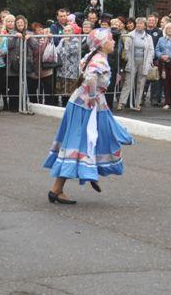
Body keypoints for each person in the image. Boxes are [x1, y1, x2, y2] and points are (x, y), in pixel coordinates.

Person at [43, 28, 134, 203]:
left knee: (91, 139)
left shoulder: (93, 56)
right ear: (101, 43)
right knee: (77, 143)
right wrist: (92, 96)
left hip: (85, 104)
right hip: (86, 106)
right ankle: (57, 189)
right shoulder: (98, 59)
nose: (114, 41)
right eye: (110, 39)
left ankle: (87, 173)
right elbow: (91, 77)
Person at [117, 17, 155, 111]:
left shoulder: (148, 37)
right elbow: (127, 48)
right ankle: (121, 102)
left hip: (143, 61)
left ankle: (138, 103)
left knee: (141, 83)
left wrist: (149, 61)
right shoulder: (130, 35)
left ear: (144, 25)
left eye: (141, 24)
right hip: (132, 60)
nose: (139, 25)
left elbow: (151, 50)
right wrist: (129, 59)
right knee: (128, 82)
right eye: (138, 23)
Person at [56, 24, 83, 107]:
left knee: (71, 92)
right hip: (62, 71)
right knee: (63, 92)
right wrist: (63, 45)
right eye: (65, 31)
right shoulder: (62, 40)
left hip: (71, 72)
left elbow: (70, 51)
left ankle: (71, 108)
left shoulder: (76, 41)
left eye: (69, 31)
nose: (67, 33)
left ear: (73, 32)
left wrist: (66, 44)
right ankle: (64, 107)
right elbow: (58, 50)